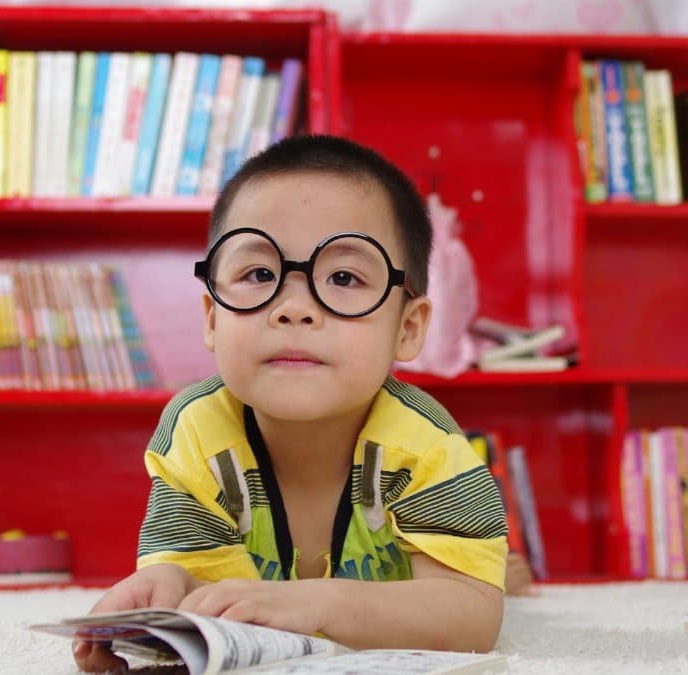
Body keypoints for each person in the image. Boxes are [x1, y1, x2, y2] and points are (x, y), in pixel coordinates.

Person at [76, 135, 512, 672]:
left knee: (499, 577)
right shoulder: (195, 431)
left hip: (421, 577)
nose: (295, 309)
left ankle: (508, 565)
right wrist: (175, 588)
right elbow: (213, 594)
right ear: (213, 318)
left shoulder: (427, 445)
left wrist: (317, 602)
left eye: (345, 277)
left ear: (408, 328)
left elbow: (473, 616)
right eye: (260, 275)